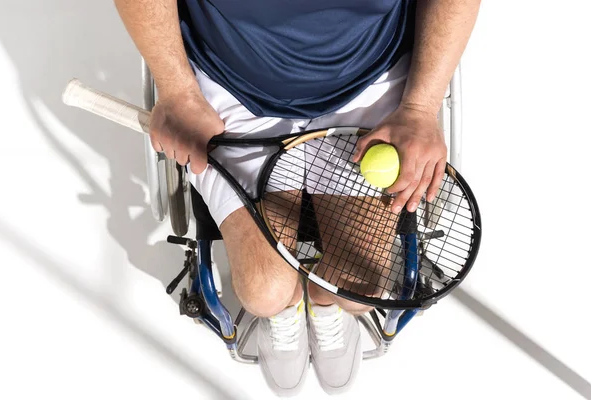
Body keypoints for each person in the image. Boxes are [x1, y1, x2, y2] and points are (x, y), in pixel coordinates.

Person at [114, 0, 480, 396]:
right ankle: (287, 309)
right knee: (263, 291)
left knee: (360, 290)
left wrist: (420, 106)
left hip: (369, 79)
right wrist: (178, 90)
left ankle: (323, 305)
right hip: (230, 84)